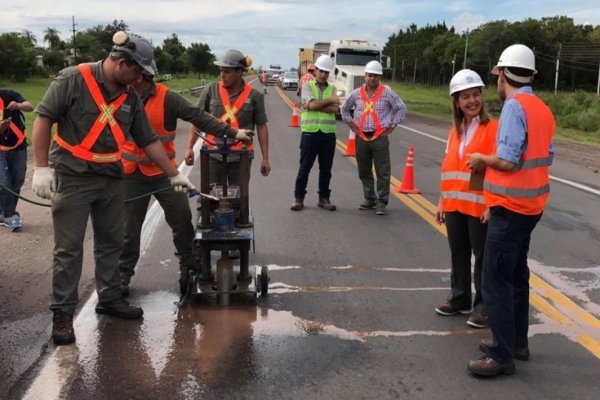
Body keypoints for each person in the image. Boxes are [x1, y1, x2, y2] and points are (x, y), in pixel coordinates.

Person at [31, 31, 195, 346]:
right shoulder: (73, 79)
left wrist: (173, 174)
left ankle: (109, 297)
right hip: (73, 177)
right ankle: (63, 314)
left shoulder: (129, 96)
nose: (139, 80)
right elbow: (43, 118)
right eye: (137, 72)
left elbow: (147, 140)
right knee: (69, 250)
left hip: (111, 179)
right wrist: (41, 167)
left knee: (111, 244)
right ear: (122, 62)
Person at [119, 61, 254, 297]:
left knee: (181, 218)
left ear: (142, 76)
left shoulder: (167, 98)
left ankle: (189, 262)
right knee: (129, 230)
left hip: (164, 173)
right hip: (131, 174)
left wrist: (233, 133)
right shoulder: (120, 95)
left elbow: (199, 117)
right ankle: (122, 277)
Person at [466, 44, 555, 377]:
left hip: (510, 207)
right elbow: (547, 157)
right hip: (532, 207)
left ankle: (502, 355)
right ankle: (517, 342)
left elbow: (508, 159)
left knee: (495, 281)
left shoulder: (514, 108)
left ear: (503, 75)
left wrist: (482, 159)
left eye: (498, 76)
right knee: (517, 276)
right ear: (530, 75)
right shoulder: (542, 109)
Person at [433, 69, 498, 329]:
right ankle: (459, 299)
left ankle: (484, 307)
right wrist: (441, 201)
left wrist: (492, 204)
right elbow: (450, 167)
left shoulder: (493, 128)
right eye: (465, 97)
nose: (472, 101)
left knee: (482, 257)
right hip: (454, 204)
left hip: (479, 205)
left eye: (476, 95)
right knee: (458, 252)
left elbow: (498, 170)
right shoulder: (455, 130)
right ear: (456, 102)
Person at [184, 49, 270, 186]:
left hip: (241, 156)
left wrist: (265, 158)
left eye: (227, 71)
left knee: (239, 200)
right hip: (213, 154)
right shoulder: (211, 90)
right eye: (221, 70)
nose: (222, 75)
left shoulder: (255, 96)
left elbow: (261, 126)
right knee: (208, 199)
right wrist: (189, 147)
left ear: (240, 72)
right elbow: (197, 119)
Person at [341, 60, 407, 216]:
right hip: (361, 137)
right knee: (364, 170)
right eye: (370, 75)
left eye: (375, 76)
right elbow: (344, 109)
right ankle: (369, 198)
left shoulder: (387, 93)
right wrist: (353, 126)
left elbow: (401, 108)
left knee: (383, 171)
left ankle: (382, 202)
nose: (372, 78)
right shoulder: (356, 93)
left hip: (379, 137)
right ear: (365, 76)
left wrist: (392, 126)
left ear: (380, 77)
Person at [290, 55, 339, 211]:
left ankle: (324, 198)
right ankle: (298, 198)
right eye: (321, 71)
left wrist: (318, 105)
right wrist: (329, 101)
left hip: (328, 134)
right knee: (305, 167)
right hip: (310, 133)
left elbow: (335, 109)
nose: (323, 74)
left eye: (326, 72)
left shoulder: (333, 88)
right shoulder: (307, 86)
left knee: (326, 169)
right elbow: (311, 105)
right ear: (315, 70)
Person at [0, 89, 33, 232]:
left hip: (19, 145)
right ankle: (10, 215)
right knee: (4, 181)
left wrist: (19, 106)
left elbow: (30, 106)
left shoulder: (9, 94)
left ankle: (5, 212)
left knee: (18, 179)